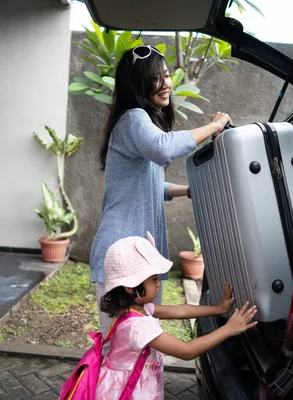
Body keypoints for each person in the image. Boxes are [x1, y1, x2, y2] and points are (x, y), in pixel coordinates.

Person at [90, 44, 233, 334]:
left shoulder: (139, 123)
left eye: (167, 75)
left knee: (144, 342)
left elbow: (152, 184)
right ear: (138, 84)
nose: (166, 84)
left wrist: (185, 191)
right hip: (121, 253)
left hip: (139, 254)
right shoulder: (133, 118)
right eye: (157, 78)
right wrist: (215, 126)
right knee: (123, 348)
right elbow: (164, 148)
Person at [95, 233, 257, 400]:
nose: (158, 283)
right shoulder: (138, 326)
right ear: (130, 287)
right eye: (153, 279)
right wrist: (228, 329)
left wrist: (218, 309)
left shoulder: (135, 309)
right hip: (128, 392)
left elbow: (179, 311)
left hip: (127, 385)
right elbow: (187, 351)